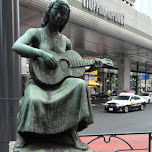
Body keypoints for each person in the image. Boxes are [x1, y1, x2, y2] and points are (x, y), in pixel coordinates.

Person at [12, 0, 102, 150]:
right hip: (38, 82)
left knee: (80, 85)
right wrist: (41, 54)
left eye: (64, 14)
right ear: (49, 11)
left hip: (60, 83)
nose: (60, 16)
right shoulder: (36, 33)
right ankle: (23, 134)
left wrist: (91, 66)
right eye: (57, 11)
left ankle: (72, 135)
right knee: (33, 98)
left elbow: (71, 69)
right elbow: (17, 46)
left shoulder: (66, 41)